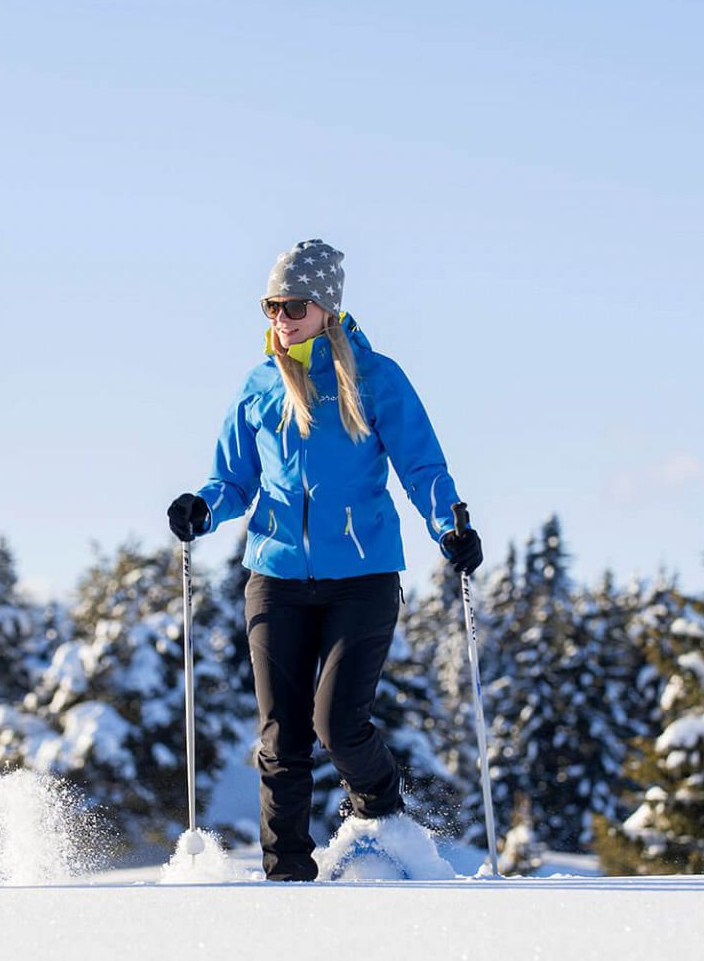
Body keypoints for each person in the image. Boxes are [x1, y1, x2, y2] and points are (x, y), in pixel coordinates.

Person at [167, 239, 483, 881]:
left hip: (362, 578)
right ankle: (286, 878)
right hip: (276, 578)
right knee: (282, 738)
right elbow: (232, 479)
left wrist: (449, 523)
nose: (281, 318)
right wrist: (203, 506)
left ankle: (382, 817)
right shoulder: (258, 385)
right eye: (271, 306)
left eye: (294, 305)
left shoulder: (376, 378)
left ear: (327, 309)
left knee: (337, 723)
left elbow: (421, 465)